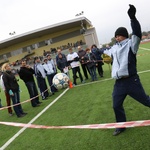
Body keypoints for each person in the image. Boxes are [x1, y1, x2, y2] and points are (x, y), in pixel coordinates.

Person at [103, 4, 150, 136]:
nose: (117, 38)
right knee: (116, 105)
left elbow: (137, 33)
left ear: (124, 36)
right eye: (116, 36)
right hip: (119, 83)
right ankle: (121, 126)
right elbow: (106, 56)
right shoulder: (114, 47)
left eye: (119, 35)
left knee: (146, 101)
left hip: (131, 81)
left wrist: (133, 19)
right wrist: (104, 58)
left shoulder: (131, 44)